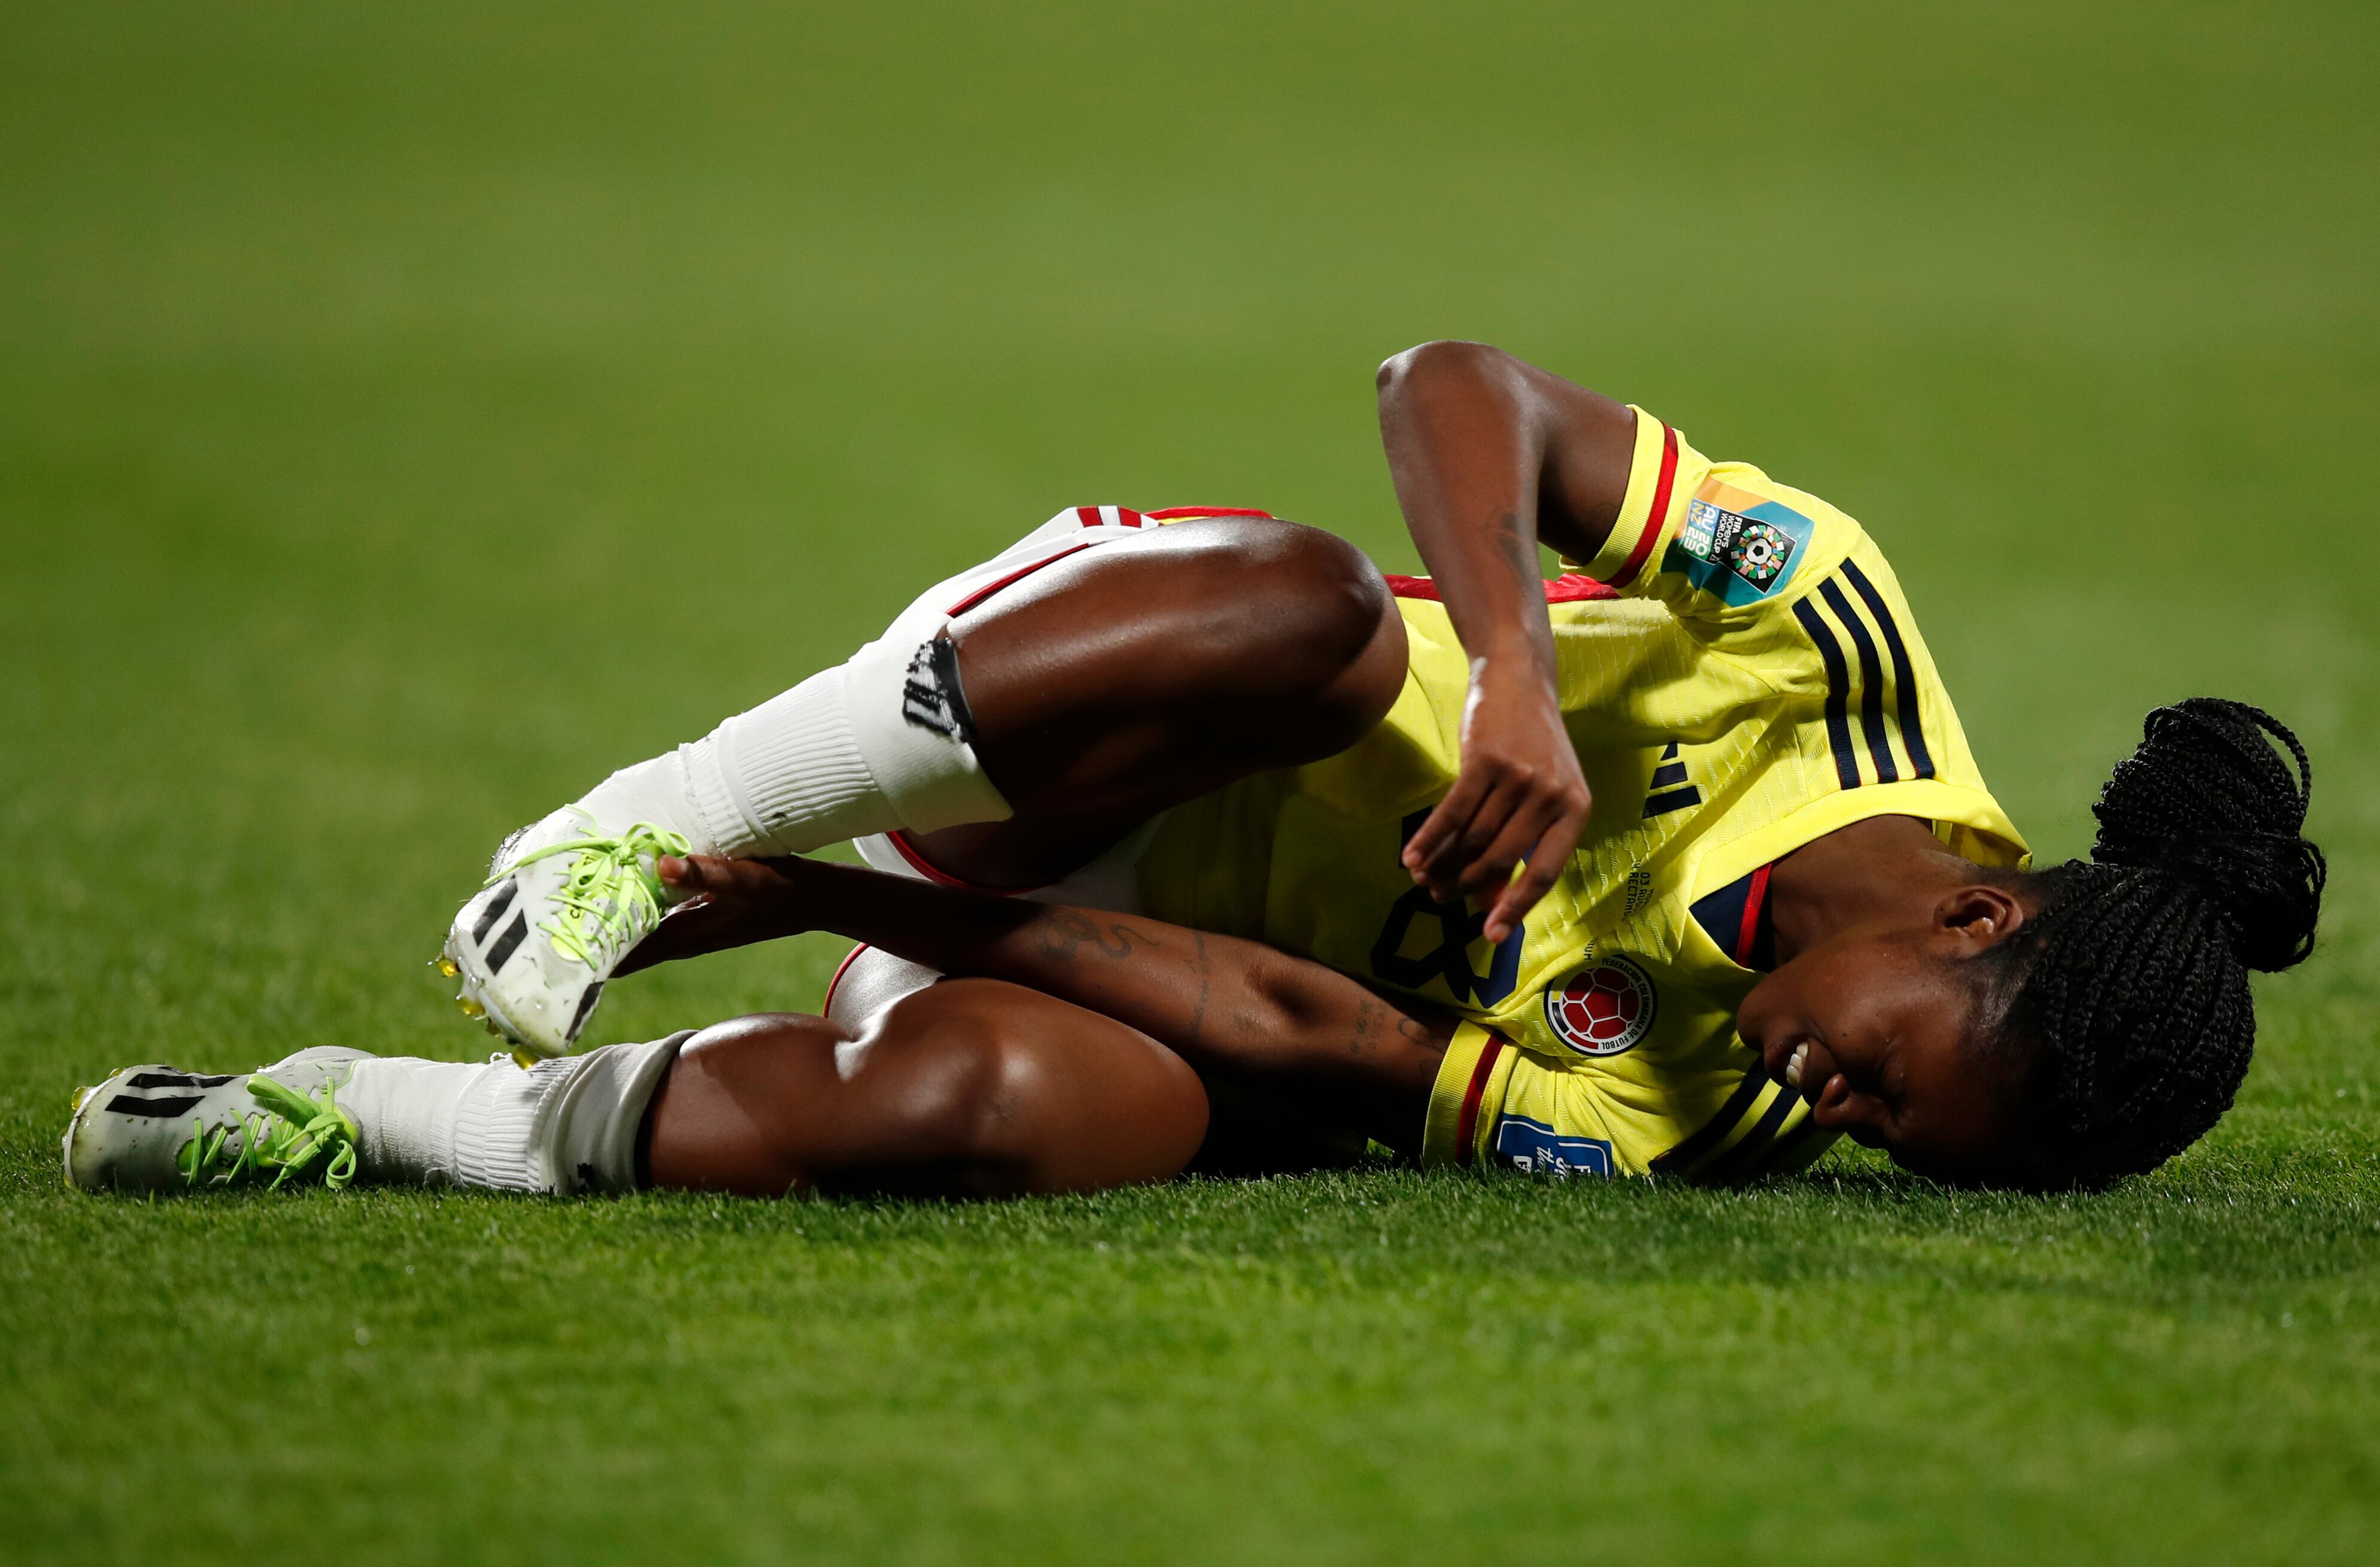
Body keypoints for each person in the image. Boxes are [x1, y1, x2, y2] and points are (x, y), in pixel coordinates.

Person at [63, 344, 2325, 1199]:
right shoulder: (1831, 639)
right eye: (1913, 1090)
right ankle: (659, 810)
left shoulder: (1700, 1122)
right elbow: (1454, 382)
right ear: (1978, 914)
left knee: (1012, 1114)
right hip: (1102, 695)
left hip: (1119, 938)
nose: (1851, 1127)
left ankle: (353, 1112)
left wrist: (864, 913)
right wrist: (1517, 672)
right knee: (1331, 621)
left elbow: (1294, 1028)